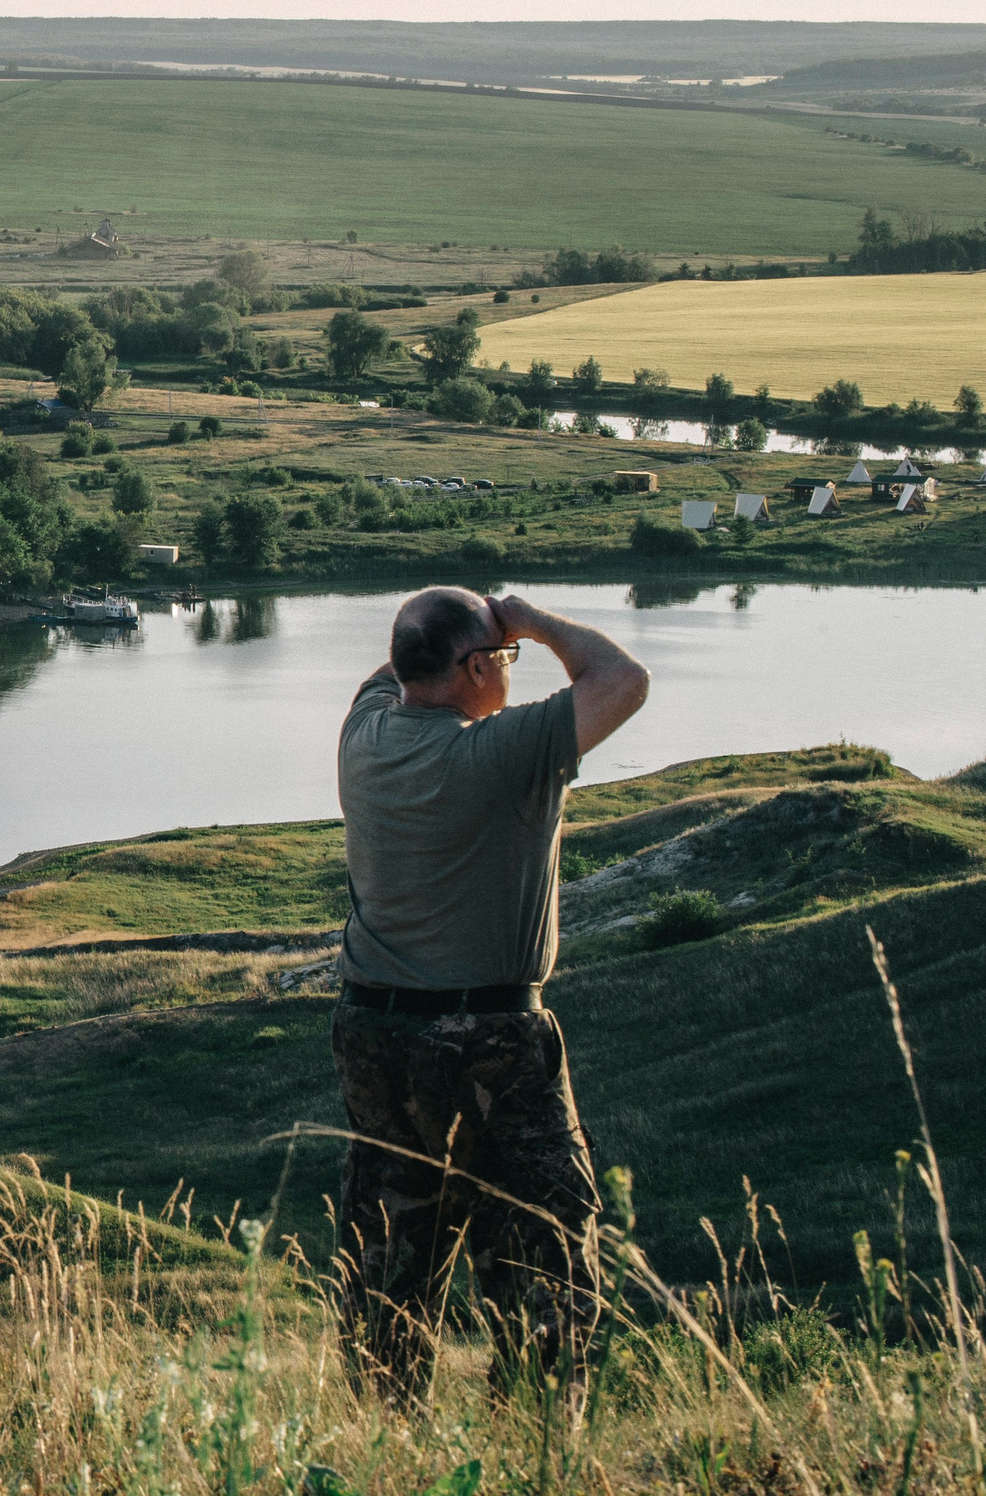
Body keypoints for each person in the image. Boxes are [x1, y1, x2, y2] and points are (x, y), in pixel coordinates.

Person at [333, 587, 650, 1407]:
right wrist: (531, 620)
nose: (509, 668)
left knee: (391, 1251)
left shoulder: (362, 737)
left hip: (375, 1034)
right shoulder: (504, 753)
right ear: (475, 666)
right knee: (546, 1250)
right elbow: (621, 678)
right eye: (499, 659)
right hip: (490, 1040)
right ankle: (537, 1435)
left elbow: (402, 664)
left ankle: (382, 1433)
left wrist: (466, 633)